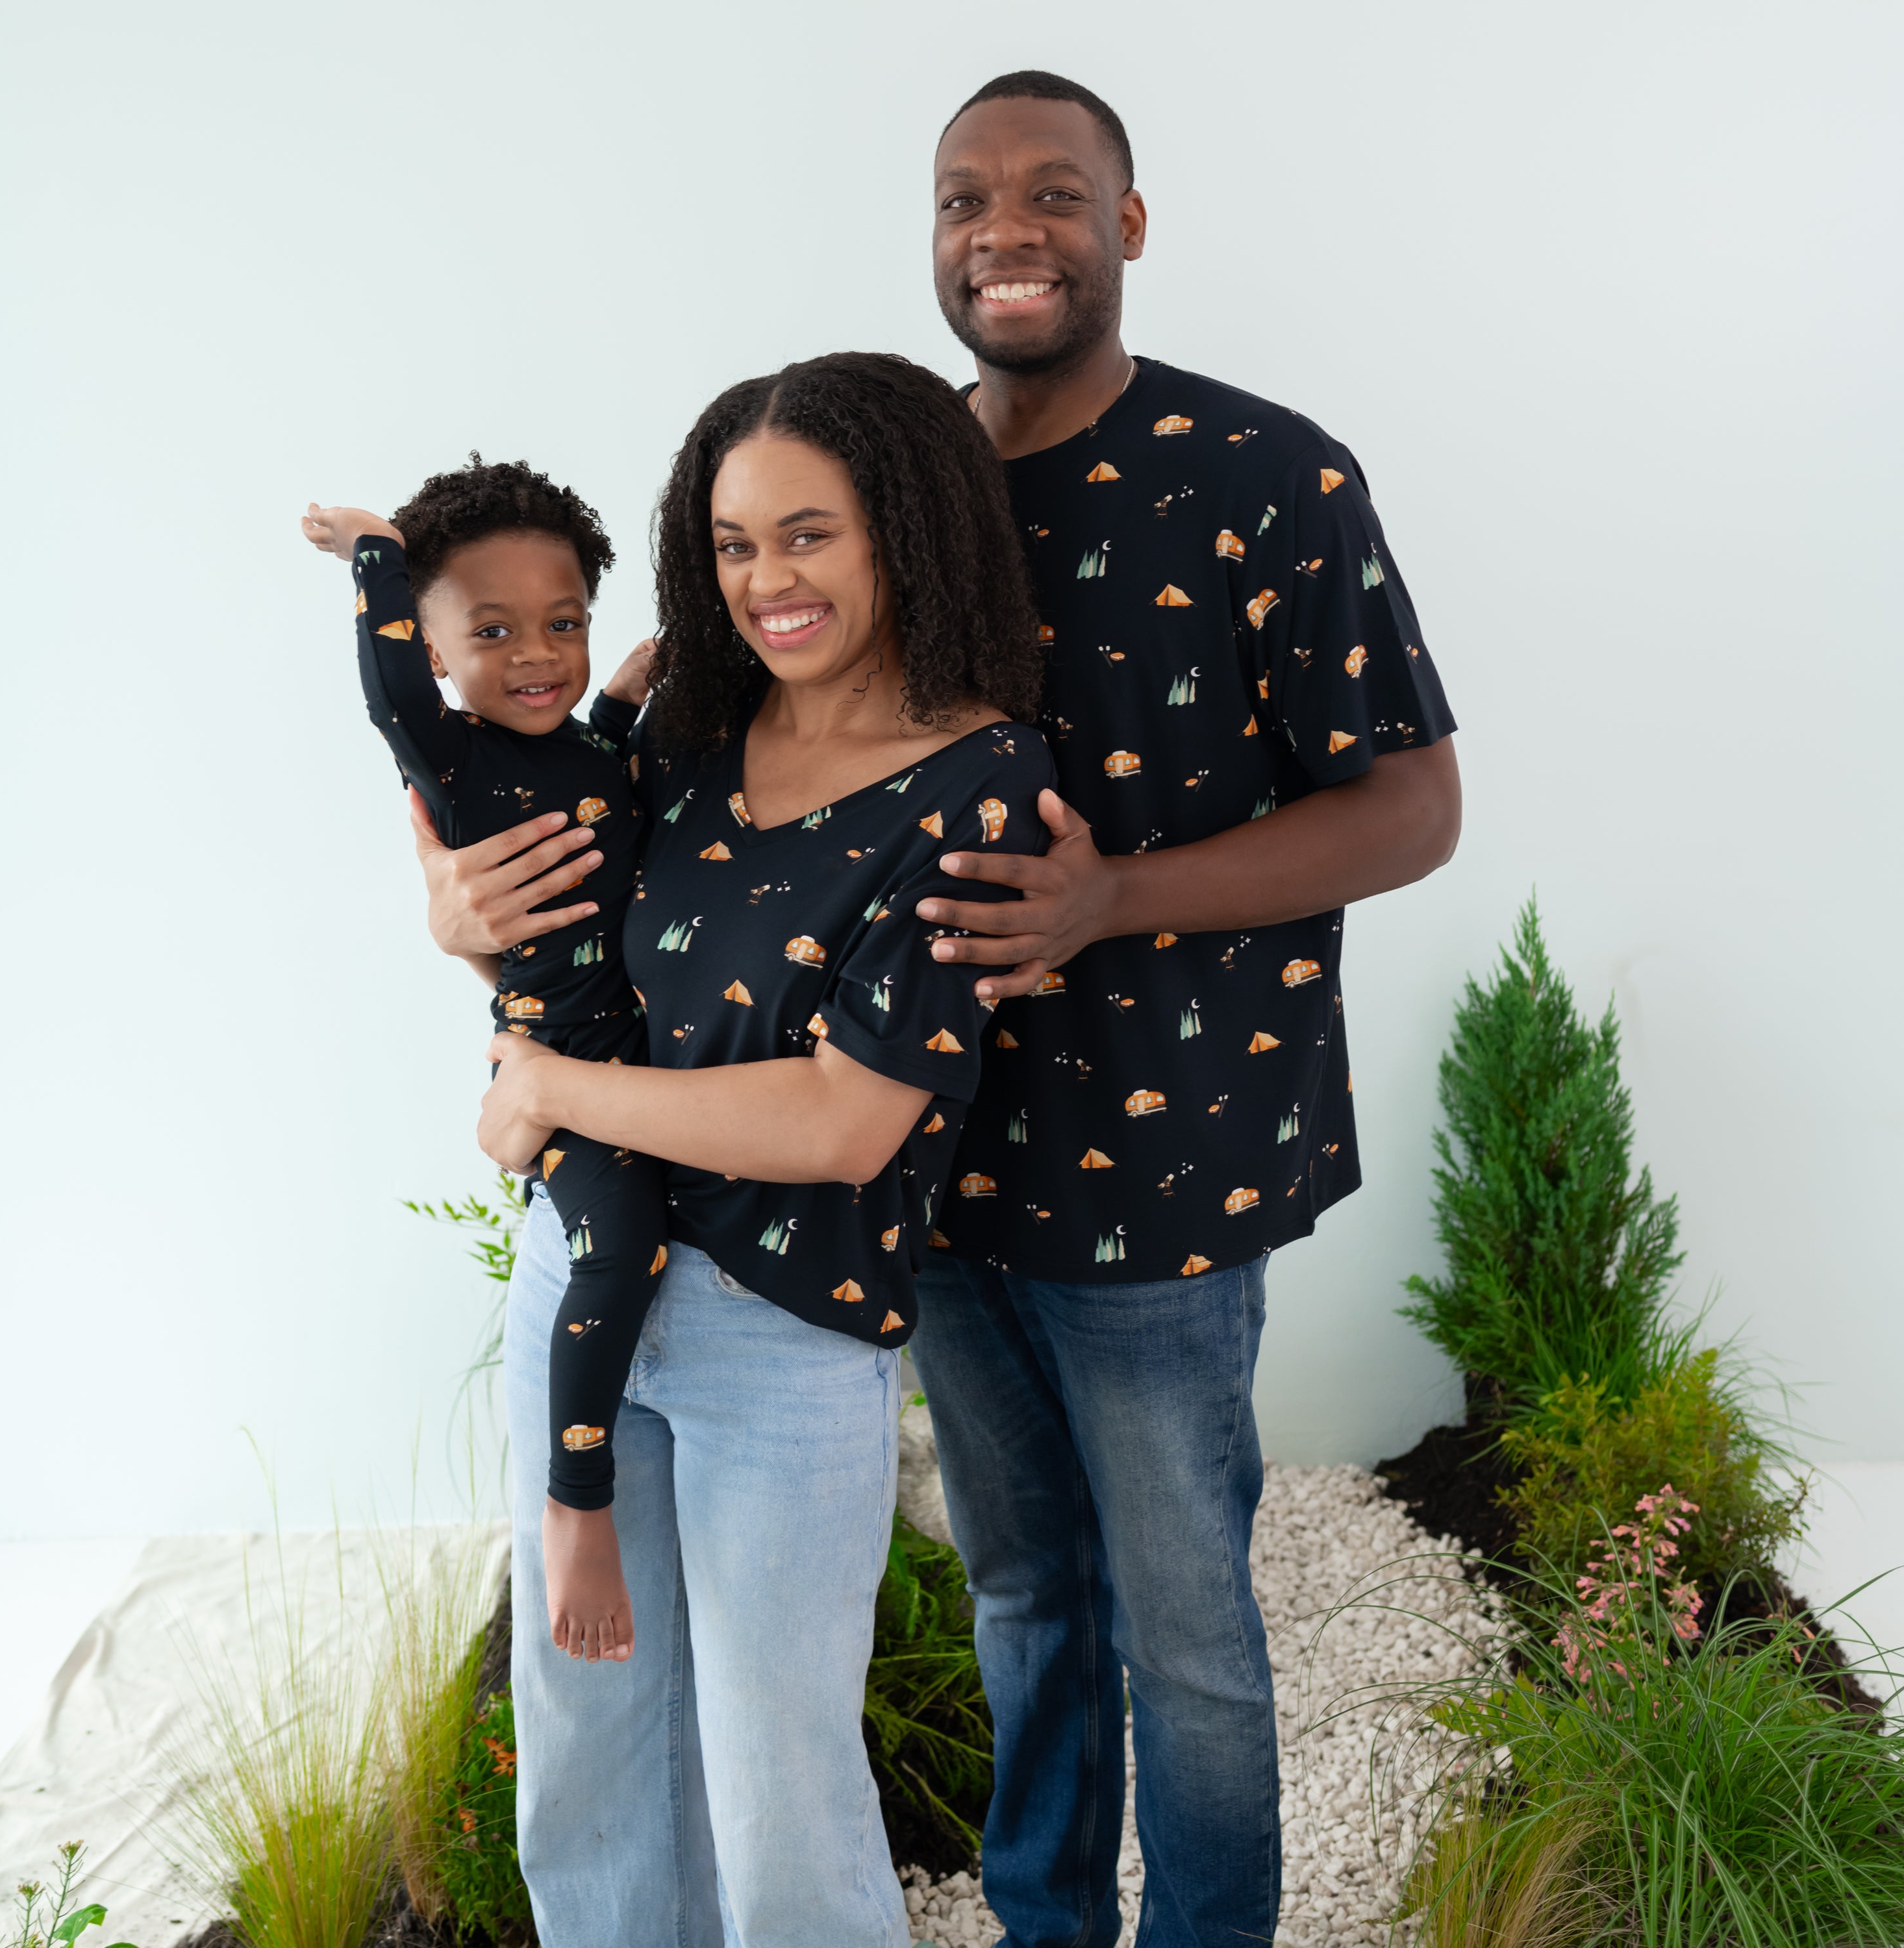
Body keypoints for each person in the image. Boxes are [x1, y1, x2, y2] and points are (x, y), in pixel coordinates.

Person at [897, 72, 1463, 1948]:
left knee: (1188, 1632)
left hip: (1170, 1167)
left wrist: (1112, 900)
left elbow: (1411, 804)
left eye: (1057, 193)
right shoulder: (896, 496)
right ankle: (1045, 1924)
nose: (1009, 230)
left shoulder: (1266, 477)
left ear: (1128, 228)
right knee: (1024, 1600)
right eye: (969, 197)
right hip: (933, 1155)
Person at [432, 352, 1055, 1946]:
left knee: (780, 1783)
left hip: (783, 1342)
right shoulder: (675, 720)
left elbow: (845, 1122)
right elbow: (477, 785)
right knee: (582, 1745)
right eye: (730, 543)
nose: (766, 580)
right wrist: (447, 907)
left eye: (809, 535)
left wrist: (551, 1088)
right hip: (581, 1291)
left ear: (902, 533)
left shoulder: (978, 784)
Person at [303, 462, 666, 1666]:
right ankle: (577, 1500)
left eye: (562, 623)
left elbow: (593, 763)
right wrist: (377, 557)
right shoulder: (448, 755)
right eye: (494, 630)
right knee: (619, 1245)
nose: (537, 654)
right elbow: (389, 684)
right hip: (559, 1061)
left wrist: (630, 684)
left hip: (650, 1053)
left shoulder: (586, 746)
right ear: (441, 645)